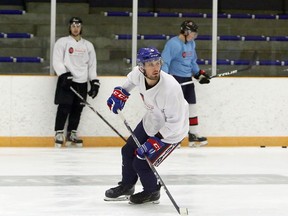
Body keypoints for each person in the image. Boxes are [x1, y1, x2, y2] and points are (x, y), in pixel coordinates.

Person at [104, 47, 189, 204]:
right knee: (128, 150)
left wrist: (155, 141)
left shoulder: (170, 88)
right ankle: (127, 186)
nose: (155, 67)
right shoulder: (138, 73)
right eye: (150, 64)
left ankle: (152, 192)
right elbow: (130, 81)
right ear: (142, 67)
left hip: (171, 132)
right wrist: (121, 94)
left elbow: (175, 123)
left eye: (157, 63)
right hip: (152, 120)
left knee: (141, 162)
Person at [161, 20, 210, 147]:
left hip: (188, 80)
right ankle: (173, 137)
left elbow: (192, 61)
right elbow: (165, 62)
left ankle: (193, 135)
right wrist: (165, 79)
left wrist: (199, 74)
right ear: (185, 31)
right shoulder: (173, 44)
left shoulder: (191, 43)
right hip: (176, 80)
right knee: (176, 110)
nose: (194, 35)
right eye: (192, 33)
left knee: (192, 107)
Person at [52, 17, 100, 148]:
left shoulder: (88, 45)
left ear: (81, 27)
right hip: (67, 80)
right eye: (73, 25)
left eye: (78, 25)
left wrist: (94, 81)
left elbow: (91, 65)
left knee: (77, 109)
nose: (75, 28)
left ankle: (72, 133)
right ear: (69, 27)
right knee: (64, 107)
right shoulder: (62, 42)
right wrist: (63, 74)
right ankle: (59, 133)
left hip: (82, 82)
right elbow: (57, 60)